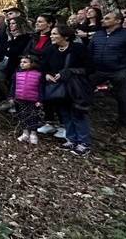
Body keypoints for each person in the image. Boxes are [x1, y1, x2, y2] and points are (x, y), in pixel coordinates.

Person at [88, 12, 126, 132]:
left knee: (123, 97)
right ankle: (83, 116)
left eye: (107, 18)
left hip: (120, 70)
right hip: (99, 70)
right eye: (103, 18)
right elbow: (89, 51)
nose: (103, 20)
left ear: (118, 21)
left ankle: (124, 124)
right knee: (84, 86)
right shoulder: (98, 35)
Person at [41, 25, 95, 155]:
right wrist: (46, 74)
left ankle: (84, 142)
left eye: (55, 34)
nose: (52, 36)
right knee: (65, 113)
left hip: (75, 87)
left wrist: (69, 72)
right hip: (58, 88)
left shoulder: (78, 49)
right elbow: (44, 66)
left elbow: (90, 68)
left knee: (78, 113)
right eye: (51, 34)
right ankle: (71, 139)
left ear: (65, 36)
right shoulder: (50, 50)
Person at [10, 56, 43, 145]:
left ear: (32, 63)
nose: (22, 64)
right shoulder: (17, 74)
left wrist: (40, 100)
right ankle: (25, 132)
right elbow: (14, 86)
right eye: (21, 62)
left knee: (33, 116)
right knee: (22, 115)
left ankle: (33, 133)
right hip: (20, 98)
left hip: (33, 100)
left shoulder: (38, 75)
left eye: (25, 62)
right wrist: (12, 96)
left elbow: (41, 88)